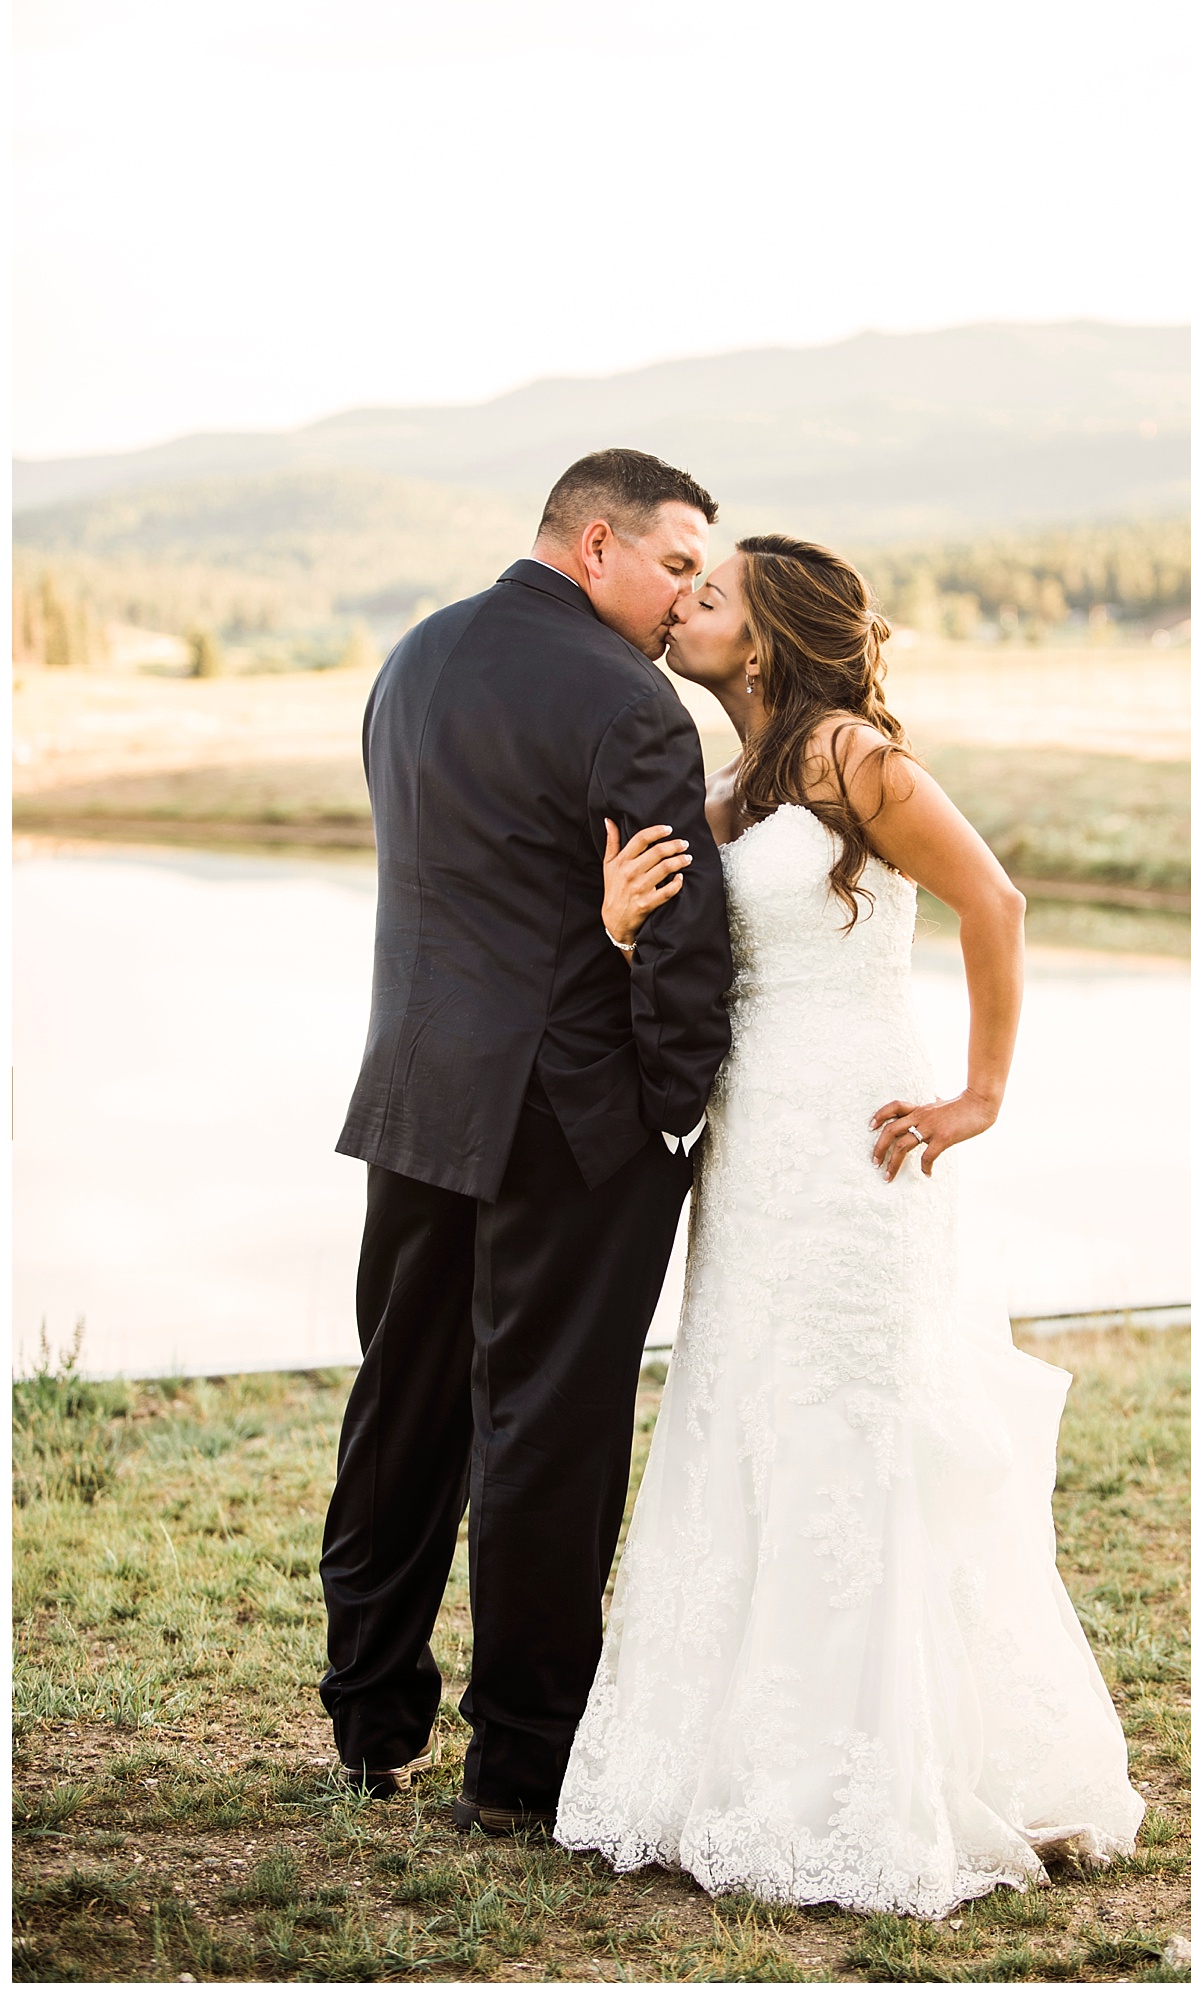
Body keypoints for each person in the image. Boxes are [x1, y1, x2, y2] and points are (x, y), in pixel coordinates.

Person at [554, 534, 1145, 1916]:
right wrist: (622, 927)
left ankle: (877, 1778)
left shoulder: (851, 762)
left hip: (858, 1152)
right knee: (746, 1416)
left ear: (760, 642)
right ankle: (739, 1763)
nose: (684, 611)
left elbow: (994, 900)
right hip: (752, 1152)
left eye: (709, 598)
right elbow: (703, 968)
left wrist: (979, 1094)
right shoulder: (725, 792)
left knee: (851, 1430)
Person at [320, 448, 734, 1834]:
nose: (687, 599)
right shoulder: (633, 705)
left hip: (416, 1090)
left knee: (404, 1403)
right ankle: (521, 1764)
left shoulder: (414, 661)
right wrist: (672, 1108)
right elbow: (678, 951)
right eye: (676, 565)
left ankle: (372, 1721)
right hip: (571, 1119)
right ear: (597, 542)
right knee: (546, 1429)